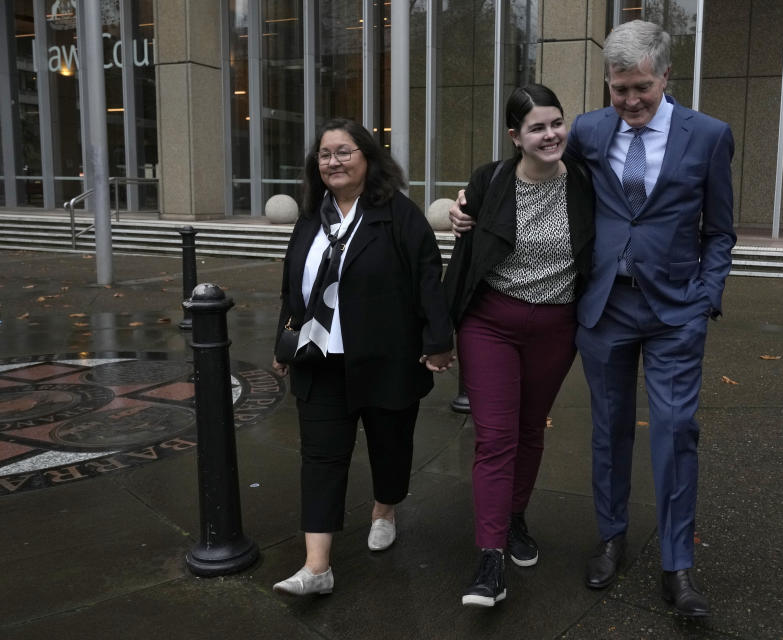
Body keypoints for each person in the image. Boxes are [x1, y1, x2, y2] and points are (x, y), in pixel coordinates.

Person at [450, 21, 736, 617]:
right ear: (606, 84)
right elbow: (536, 168)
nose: (630, 102)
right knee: (607, 431)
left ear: (665, 78)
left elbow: (722, 229)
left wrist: (707, 295)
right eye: (618, 89)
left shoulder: (708, 136)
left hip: (675, 311)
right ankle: (611, 539)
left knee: (677, 431)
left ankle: (677, 566)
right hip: (604, 308)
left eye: (641, 89)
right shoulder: (587, 129)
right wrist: (469, 205)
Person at [272, 118, 454, 596]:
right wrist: (283, 345)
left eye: (344, 151)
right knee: (320, 458)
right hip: (319, 359)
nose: (332, 161)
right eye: (325, 154)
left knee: (389, 447)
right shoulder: (311, 217)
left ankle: (385, 508)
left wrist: (438, 342)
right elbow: (295, 287)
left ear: (368, 158)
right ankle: (317, 568)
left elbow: (427, 278)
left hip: (386, 357)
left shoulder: (399, 215)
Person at [444, 84, 595, 608]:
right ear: (516, 136)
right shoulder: (490, 180)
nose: (551, 134)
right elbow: (466, 249)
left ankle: (514, 518)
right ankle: (490, 558)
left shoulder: (585, 180)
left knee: (530, 430)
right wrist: (457, 217)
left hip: (557, 328)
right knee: (496, 437)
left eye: (557, 122)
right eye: (537, 127)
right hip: (491, 324)